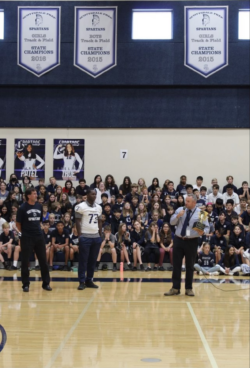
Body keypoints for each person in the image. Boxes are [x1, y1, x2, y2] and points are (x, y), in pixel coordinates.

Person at [165, 194, 209, 297]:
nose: (186, 203)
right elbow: (171, 222)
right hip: (179, 240)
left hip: (192, 241)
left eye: (188, 201)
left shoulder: (201, 213)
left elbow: (207, 228)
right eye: (186, 201)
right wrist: (177, 216)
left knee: (190, 266)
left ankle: (188, 288)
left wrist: (202, 231)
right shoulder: (180, 209)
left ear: (194, 202)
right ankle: (175, 288)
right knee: (176, 265)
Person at [16, 188, 51, 292]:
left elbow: (39, 221)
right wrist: (24, 233)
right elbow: (18, 224)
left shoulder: (39, 206)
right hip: (27, 237)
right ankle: (25, 285)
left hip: (39, 237)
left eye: (36, 193)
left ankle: (46, 284)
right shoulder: (22, 208)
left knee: (43, 261)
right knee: (25, 262)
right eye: (34, 194)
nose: (36, 195)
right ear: (28, 196)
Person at [75, 189, 103, 290]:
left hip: (96, 237)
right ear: (87, 195)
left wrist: (100, 235)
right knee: (83, 260)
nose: (94, 195)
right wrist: (80, 235)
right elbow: (77, 221)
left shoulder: (99, 207)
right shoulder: (81, 206)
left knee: (92, 261)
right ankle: (81, 281)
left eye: (95, 194)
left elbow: (100, 222)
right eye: (92, 194)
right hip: (85, 237)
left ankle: (89, 280)